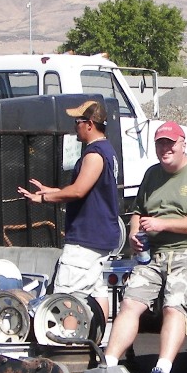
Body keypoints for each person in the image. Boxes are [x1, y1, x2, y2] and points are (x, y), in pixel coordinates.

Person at [103, 121, 187, 373]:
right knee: (131, 303)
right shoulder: (152, 174)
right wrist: (135, 235)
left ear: (183, 145)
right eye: (160, 143)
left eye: (170, 143)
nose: (165, 148)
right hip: (154, 252)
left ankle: (161, 370)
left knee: (174, 306)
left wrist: (163, 225)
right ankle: (108, 364)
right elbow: (138, 211)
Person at [17, 99, 121, 327]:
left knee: (66, 294)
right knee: (96, 290)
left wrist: (43, 198)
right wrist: (53, 190)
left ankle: (68, 344)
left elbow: (78, 191)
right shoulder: (107, 151)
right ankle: (98, 341)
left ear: (90, 124)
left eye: (78, 121)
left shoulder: (94, 154)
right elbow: (89, 190)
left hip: (86, 238)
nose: (75, 126)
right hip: (101, 237)